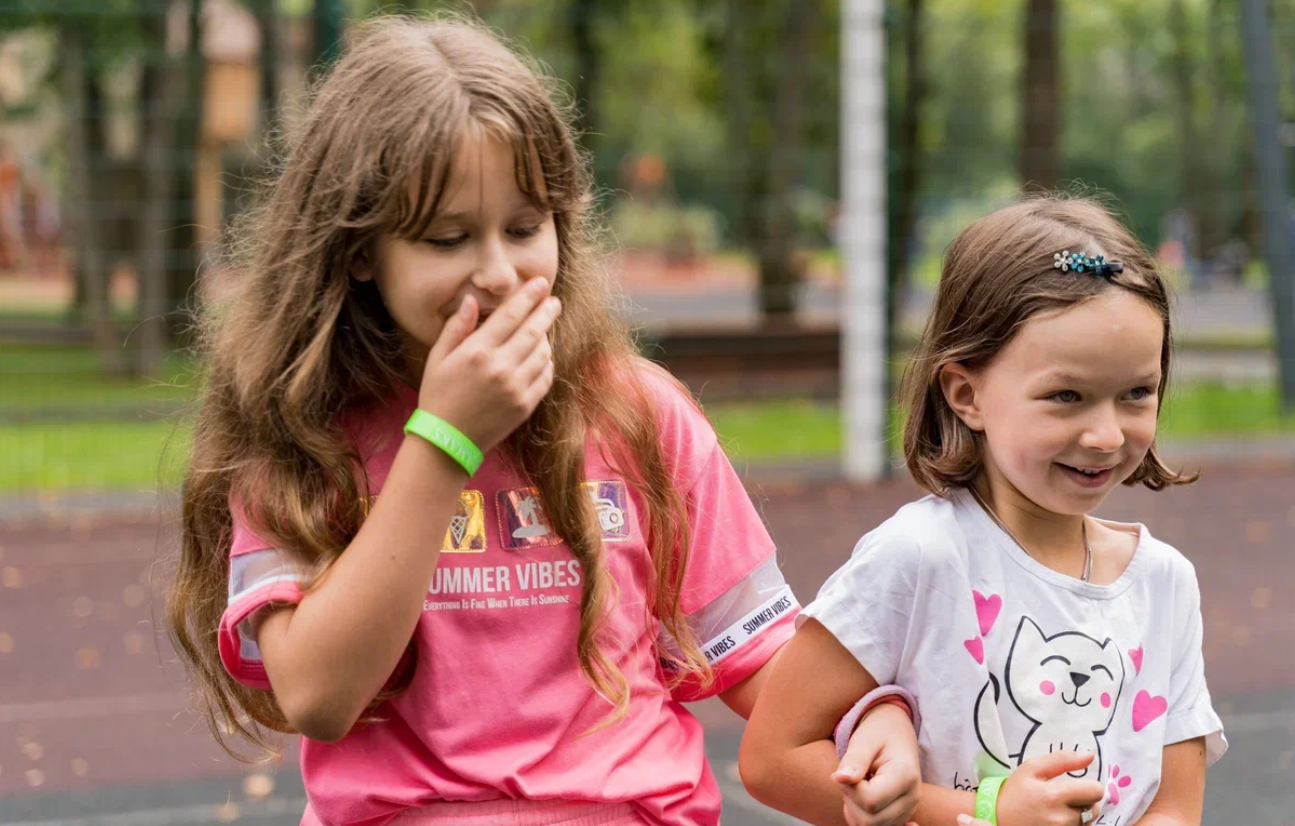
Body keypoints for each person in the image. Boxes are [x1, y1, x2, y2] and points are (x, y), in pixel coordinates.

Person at [162, 13, 908, 826]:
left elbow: (754, 652)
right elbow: (317, 694)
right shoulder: (304, 429)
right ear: (359, 249)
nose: (497, 270)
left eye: (525, 228)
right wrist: (446, 439)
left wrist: (868, 714)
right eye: (448, 237)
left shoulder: (637, 412)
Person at [740, 196, 1226, 826]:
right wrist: (984, 814)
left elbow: (1174, 805)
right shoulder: (918, 557)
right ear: (967, 394)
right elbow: (773, 759)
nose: (1107, 434)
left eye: (1137, 393)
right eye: (1066, 396)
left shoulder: (1165, 584)